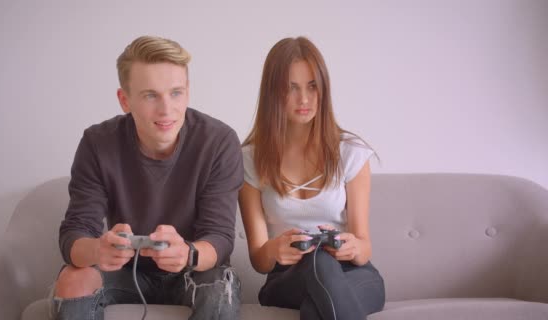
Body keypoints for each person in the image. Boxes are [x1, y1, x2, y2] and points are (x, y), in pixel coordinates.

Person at [52, 35, 243, 320]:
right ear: (124, 100)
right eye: (151, 95)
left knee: (219, 286)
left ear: (188, 92)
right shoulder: (97, 142)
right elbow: (74, 233)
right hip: (124, 273)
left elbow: (220, 237)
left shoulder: (219, 141)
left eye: (176, 93)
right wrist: (98, 249)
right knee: (72, 278)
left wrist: (187, 253)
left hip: (194, 272)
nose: (166, 109)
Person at [238, 36, 385, 320]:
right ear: (273, 93)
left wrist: (353, 246)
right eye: (291, 88)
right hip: (286, 280)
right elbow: (259, 259)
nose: (304, 99)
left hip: (353, 274)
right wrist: (275, 248)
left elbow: (364, 247)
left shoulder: (351, 153)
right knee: (318, 262)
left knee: (316, 308)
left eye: (312, 86)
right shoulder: (249, 160)